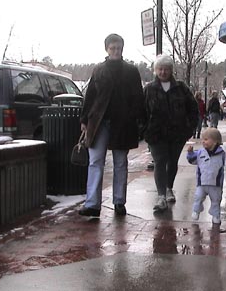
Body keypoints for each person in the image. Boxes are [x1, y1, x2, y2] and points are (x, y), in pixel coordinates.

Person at [78, 33, 145, 217]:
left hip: (122, 123)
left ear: (122, 49)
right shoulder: (98, 70)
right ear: (107, 49)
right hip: (98, 123)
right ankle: (92, 204)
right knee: (95, 162)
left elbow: (138, 98)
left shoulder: (131, 71)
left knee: (120, 163)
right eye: (112, 47)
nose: (116, 51)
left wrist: (135, 120)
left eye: (118, 48)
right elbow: (90, 96)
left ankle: (119, 201)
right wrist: (84, 120)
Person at [143, 54, 199, 212]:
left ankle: (169, 188)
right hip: (155, 134)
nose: (163, 72)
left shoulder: (181, 88)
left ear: (171, 70)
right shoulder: (149, 89)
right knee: (160, 162)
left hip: (177, 134)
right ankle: (161, 196)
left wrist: (189, 128)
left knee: (172, 162)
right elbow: (141, 111)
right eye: (160, 69)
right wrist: (144, 130)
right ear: (155, 70)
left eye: (166, 69)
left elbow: (193, 109)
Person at [187, 128, 225, 225]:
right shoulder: (200, 153)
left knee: (216, 200)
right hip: (202, 183)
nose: (203, 141)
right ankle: (196, 210)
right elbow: (192, 160)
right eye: (203, 139)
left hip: (215, 184)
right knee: (198, 197)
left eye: (206, 139)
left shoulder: (222, 154)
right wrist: (190, 153)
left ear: (215, 141)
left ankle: (215, 216)